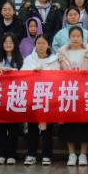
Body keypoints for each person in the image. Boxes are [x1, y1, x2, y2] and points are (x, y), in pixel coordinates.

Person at [57, 26, 88, 166]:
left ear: (83, 38)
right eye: (73, 36)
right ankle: (71, 154)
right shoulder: (62, 52)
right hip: (68, 92)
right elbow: (57, 70)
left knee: (85, 124)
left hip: (85, 92)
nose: (75, 38)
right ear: (69, 38)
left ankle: (83, 154)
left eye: (78, 36)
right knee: (69, 124)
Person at [21, 35, 59, 166]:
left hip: (49, 98)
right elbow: (22, 74)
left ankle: (47, 155)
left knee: (47, 129)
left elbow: (59, 77)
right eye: (38, 43)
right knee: (32, 128)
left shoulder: (54, 60)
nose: (41, 45)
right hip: (33, 97)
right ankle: (31, 154)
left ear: (48, 45)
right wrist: (33, 72)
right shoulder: (29, 59)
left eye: (43, 43)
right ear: (35, 45)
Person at [0, 34, 24, 164]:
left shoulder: (21, 59)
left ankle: (12, 155)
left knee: (14, 128)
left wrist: (13, 71)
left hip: (15, 97)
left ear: (15, 44)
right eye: (6, 42)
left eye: (11, 42)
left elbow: (25, 74)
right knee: (1, 128)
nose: (8, 44)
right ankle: (0, 154)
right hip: (0, 97)